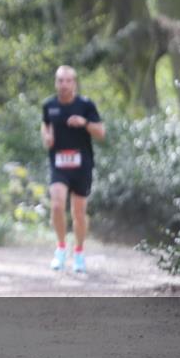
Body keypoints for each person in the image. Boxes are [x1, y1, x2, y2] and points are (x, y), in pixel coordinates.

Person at [41, 66, 105, 274]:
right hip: (59, 164)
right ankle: (60, 248)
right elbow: (46, 124)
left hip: (82, 165)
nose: (64, 85)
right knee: (57, 205)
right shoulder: (49, 105)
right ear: (55, 82)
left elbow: (101, 132)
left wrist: (84, 123)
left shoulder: (86, 105)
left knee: (78, 213)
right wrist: (47, 136)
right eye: (60, 80)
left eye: (68, 81)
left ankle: (78, 251)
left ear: (74, 83)